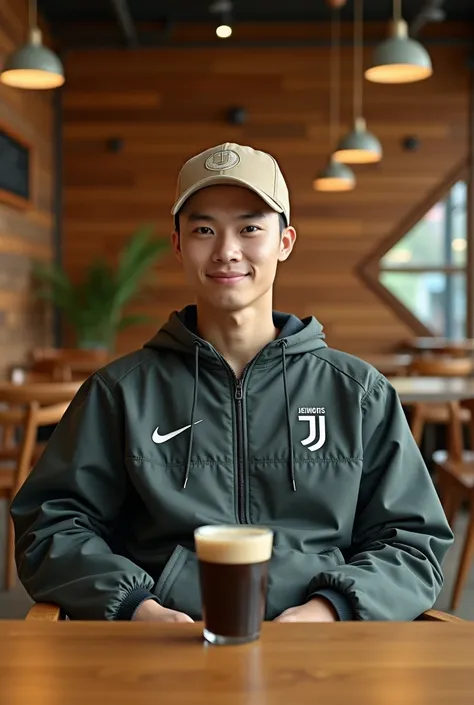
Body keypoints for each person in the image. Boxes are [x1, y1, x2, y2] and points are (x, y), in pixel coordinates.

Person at [11, 143, 454, 623]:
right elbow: (51, 526)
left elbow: (412, 543)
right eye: (204, 229)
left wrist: (331, 610)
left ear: (284, 242)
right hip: (163, 650)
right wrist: (138, 607)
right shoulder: (120, 392)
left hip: (325, 647)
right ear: (179, 245)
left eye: (250, 228)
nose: (226, 251)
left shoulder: (358, 393)